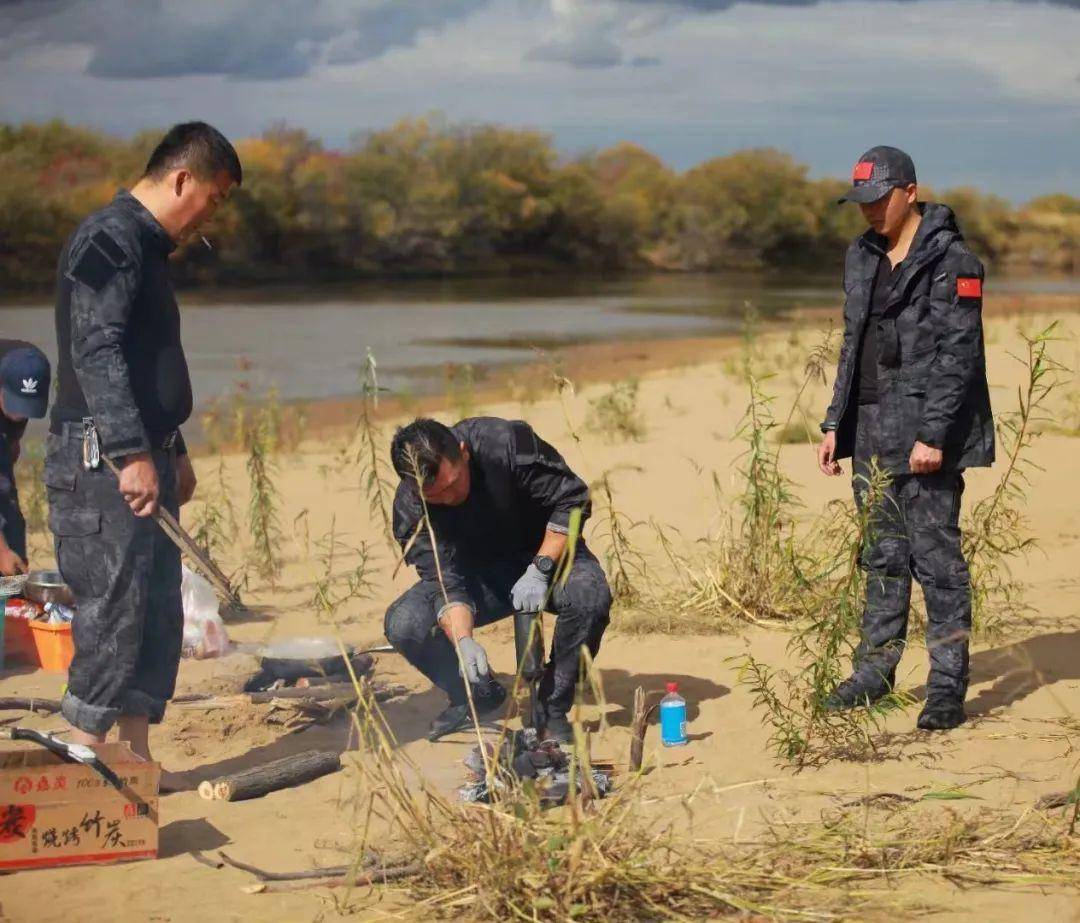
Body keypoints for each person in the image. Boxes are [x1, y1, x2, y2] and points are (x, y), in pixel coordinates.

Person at [47, 122, 241, 782]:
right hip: (100, 455)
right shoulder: (110, 237)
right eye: (214, 198)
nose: (211, 216)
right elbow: (94, 349)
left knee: (156, 608)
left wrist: (170, 448)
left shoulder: (149, 250)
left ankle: (133, 760)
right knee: (112, 605)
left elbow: (144, 363)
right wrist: (130, 451)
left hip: (142, 449)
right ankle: (79, 756)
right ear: (182, 178)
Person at [817, 146, 994, 731]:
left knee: (938, 563)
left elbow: (959, 356)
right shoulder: (860, 255)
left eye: (878, 199)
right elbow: (852, 342)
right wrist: (832, 422)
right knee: (882, 556)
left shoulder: (955, 262)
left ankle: (947, 688)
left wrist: (934, 435)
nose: (868, 211)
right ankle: (875, 673)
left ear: (909, 193)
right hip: (868, 428)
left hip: (924, 435)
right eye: (860, 201)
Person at [385, 416, 612, 742]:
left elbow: (573, 499)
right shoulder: (410, 510)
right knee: (404, 623)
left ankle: (551, 708)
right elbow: (445, 583)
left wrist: (541, 567)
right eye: (436, 496)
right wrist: (463, 641)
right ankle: (475, 694)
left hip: (545, 554)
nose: (450, 498)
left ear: (463, 453)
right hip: (479, 577)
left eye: (453, 483)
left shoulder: (503, 444)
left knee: (589, 596)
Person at [0, 341, 52, 576]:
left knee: (10, 516)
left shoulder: (33, 364)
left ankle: (9, 599)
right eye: (14, 405)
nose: (20, 415)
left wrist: (12, 440)